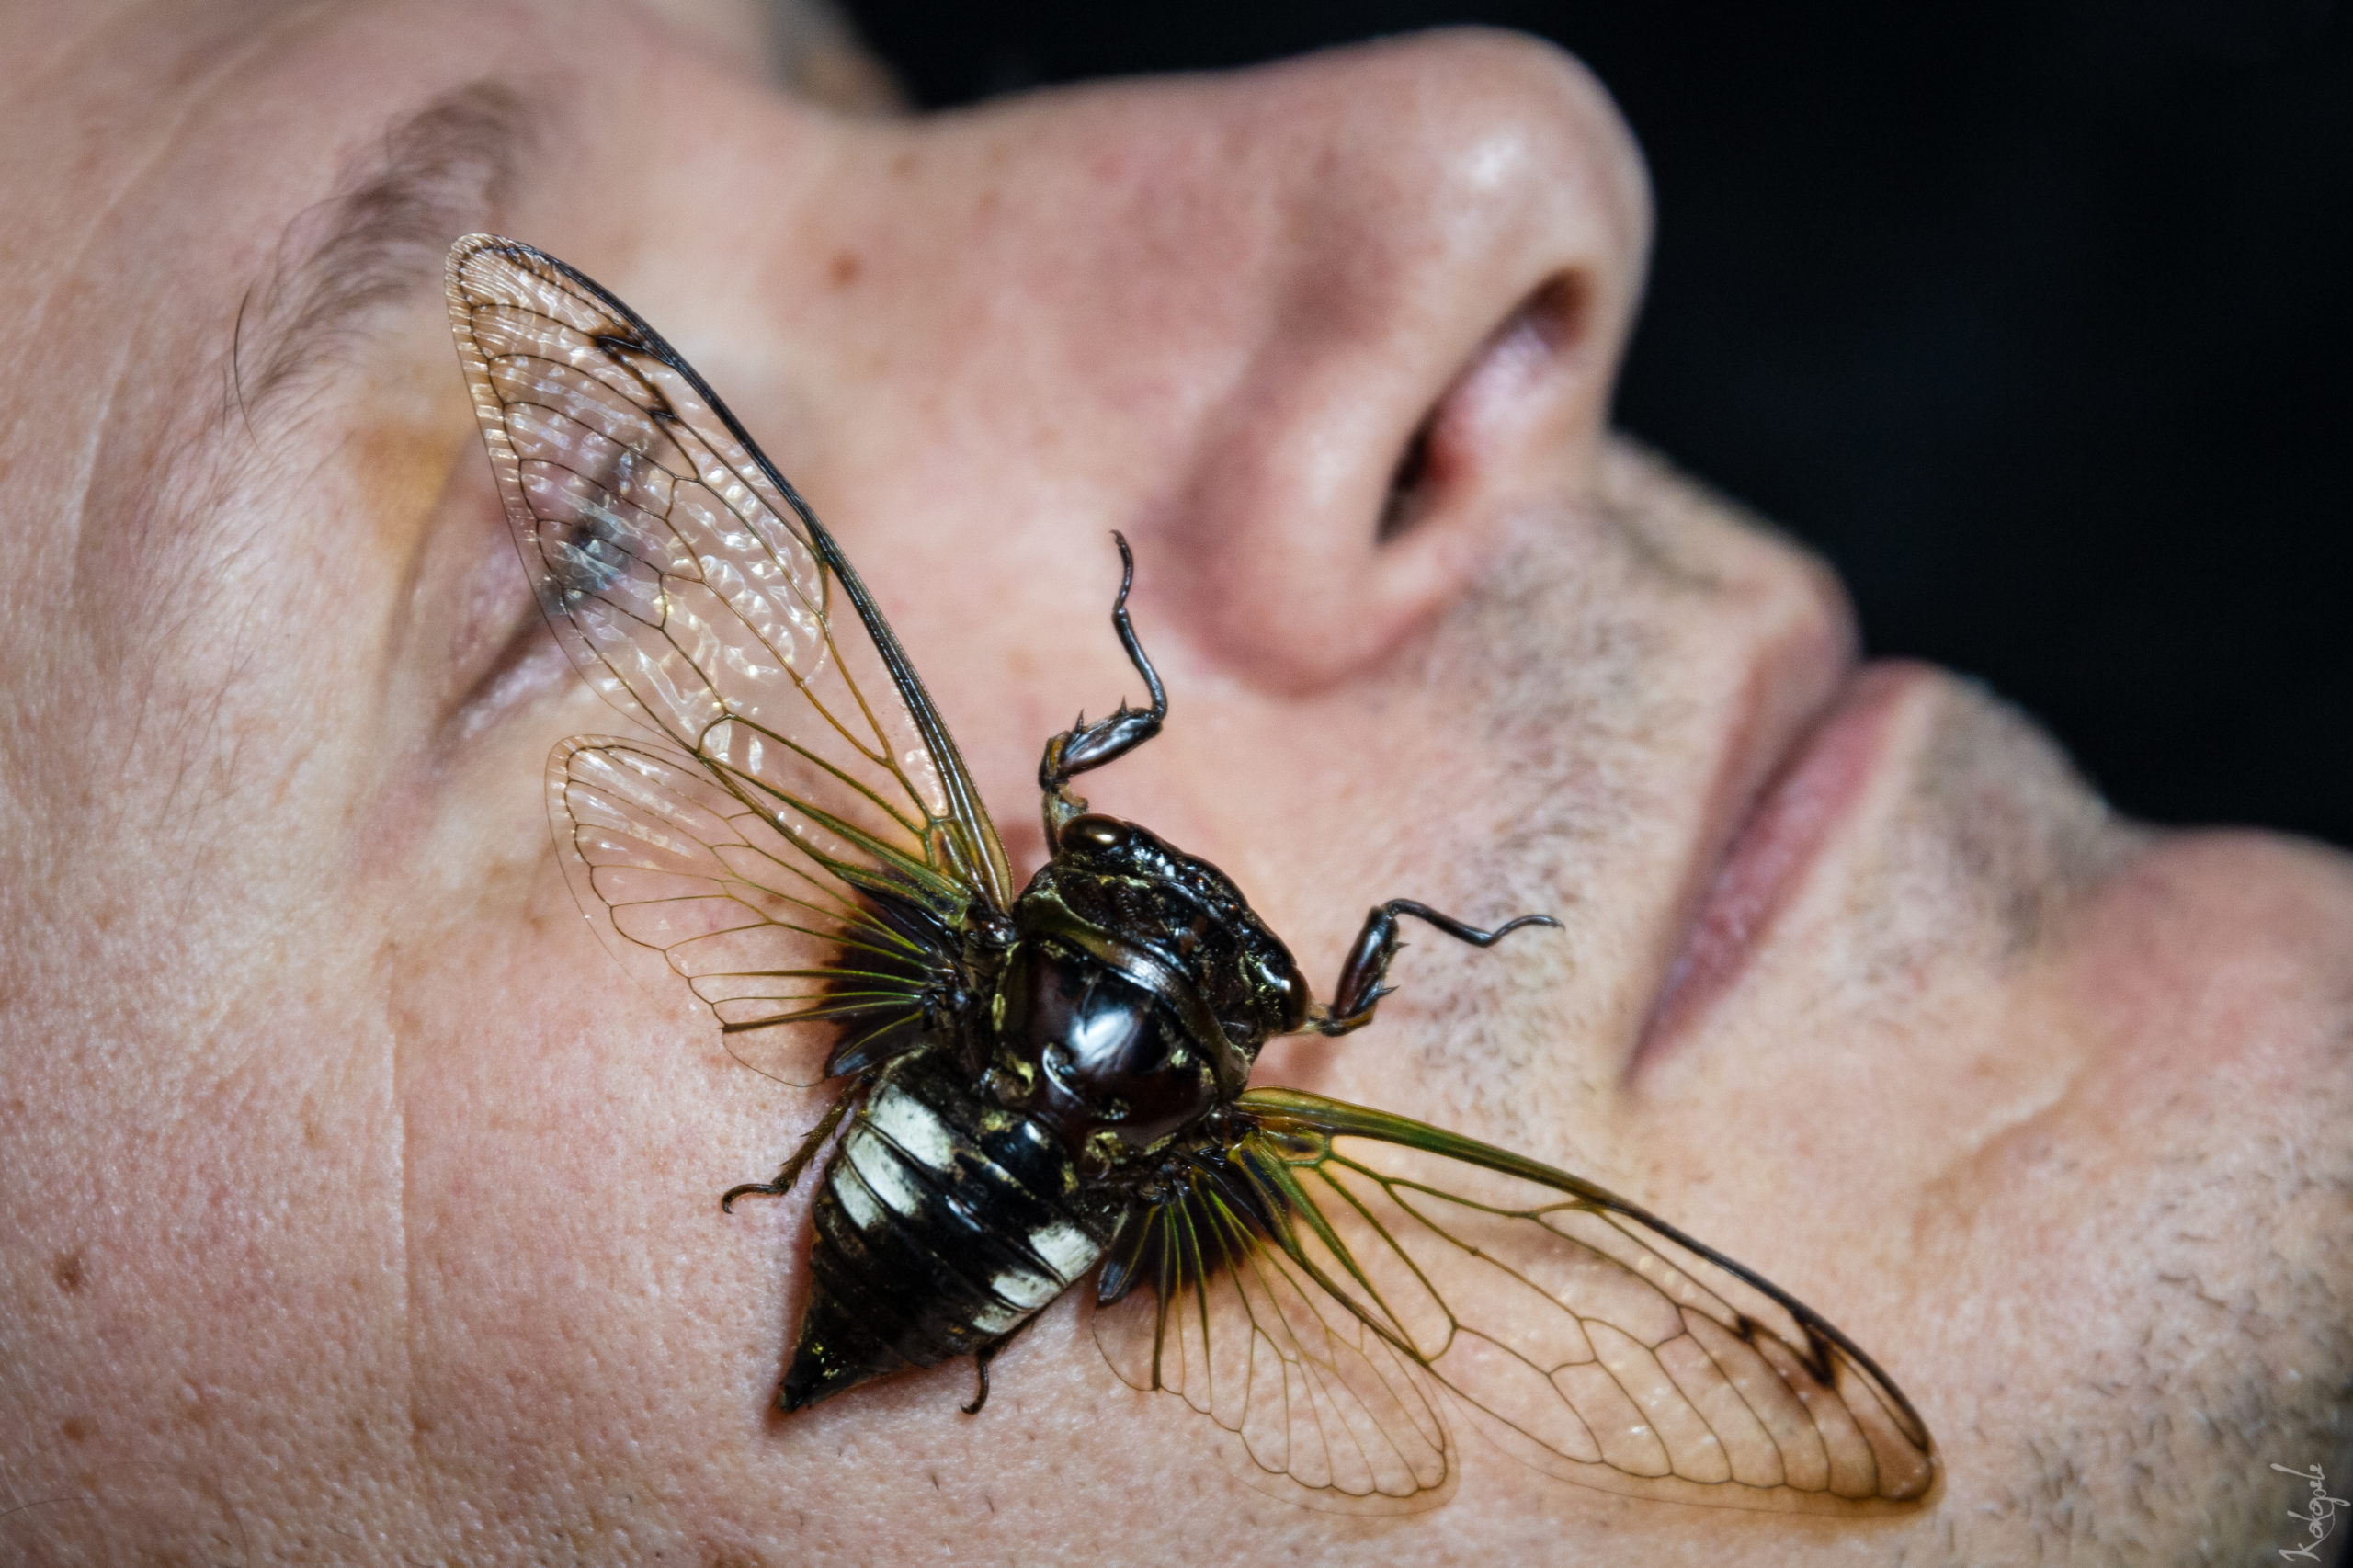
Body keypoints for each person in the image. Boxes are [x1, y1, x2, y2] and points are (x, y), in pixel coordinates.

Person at [2, 1, 2345, 1562]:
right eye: (589, 548)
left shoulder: (1094, 1042)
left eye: (871, 73)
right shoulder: (1204, 1126)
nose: (1483, 145)